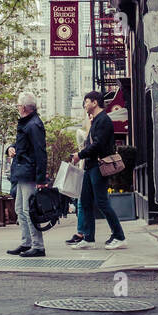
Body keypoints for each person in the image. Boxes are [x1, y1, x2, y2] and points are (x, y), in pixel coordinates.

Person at [70, 90, 126, 249]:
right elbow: (90, 144)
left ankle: (120, 236)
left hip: (98, 166)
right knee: (86, 201)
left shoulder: (104, 120)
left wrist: (79, 155)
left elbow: (98, 145)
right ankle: (88, 239)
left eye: (86, 101)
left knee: (102, 202)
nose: (85, 105)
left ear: (95, 102)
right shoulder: (96, 120)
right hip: (90, 166)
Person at [5, 92, 48, 257]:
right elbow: (21, 144)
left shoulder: (33, 125)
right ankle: (27, 243)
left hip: (28, 173)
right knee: (20, 209)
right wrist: (10, 147)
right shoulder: (27, 123)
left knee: (29, 210)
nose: (17, 108)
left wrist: (40, 179)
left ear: (23, 108)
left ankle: (38, 246)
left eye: (17, 105)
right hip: (23, 172)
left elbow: (40, 152)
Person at [65, 102, 94, 244]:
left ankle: (83, 234)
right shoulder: (90, 125)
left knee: (89, 202)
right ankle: (84, 234)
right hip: (86, 168)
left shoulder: (94, 124)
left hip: (92, 168)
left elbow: (90, 144)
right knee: (83, 202)